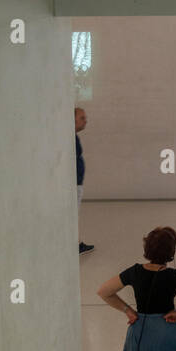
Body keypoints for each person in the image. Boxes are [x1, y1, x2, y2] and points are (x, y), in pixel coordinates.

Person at [75, 106, 93, 254]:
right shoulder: (70, 139)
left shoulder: (74, 137)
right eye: (82, 118)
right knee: (73, 216)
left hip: (76, 183)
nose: (85, 121)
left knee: (74, 215)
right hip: (73, 185)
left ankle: (77, 243)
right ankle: (76, 244)